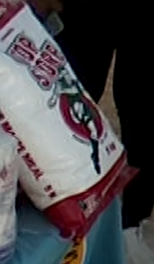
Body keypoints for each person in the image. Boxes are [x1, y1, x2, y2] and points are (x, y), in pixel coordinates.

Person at [29, 0, 148, 228]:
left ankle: (131, 225)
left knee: (142, 120)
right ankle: (58, 212)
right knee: (65, 104)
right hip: (85, 11)